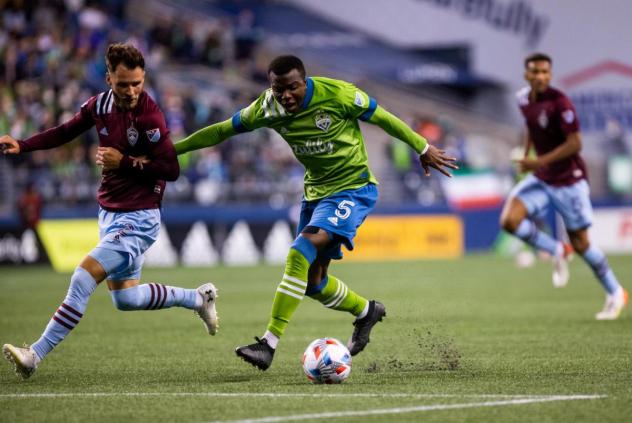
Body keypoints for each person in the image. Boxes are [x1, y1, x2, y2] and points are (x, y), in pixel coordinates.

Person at [174, 55, 457, 370]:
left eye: (292, 88)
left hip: (353, 188)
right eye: (278, 89)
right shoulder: (268, 107)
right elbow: (221, 131)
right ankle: (366, 311)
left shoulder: (338, 94)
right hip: (315, 194)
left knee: (300, 251)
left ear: (304, 81)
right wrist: (172, 151)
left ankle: (268, 344)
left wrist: (422, 147)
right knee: (314, 283)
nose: (286, 96)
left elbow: (383, 117)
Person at [1, 43, 218, 380]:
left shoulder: (150, 116)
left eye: (137, 83)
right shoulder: (98, 105)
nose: (131, 91)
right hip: (110, 212)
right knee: (127, 298)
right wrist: (23, 144)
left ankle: (34, 355)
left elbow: (171, 168)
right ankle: (197, 299)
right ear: (109, 79)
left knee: (82, 277)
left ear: (144, 78)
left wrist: (126, 162)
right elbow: (66, 131)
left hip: (140, 216)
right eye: (123, 84)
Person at [500, 53, 628, 320]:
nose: (540, 77)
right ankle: (557, 249)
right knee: (510, 220)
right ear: (527, 75)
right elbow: (532, 128)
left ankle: (616, 292)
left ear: (550, 75)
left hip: (569, 180)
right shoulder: (523, 99)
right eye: (535, 72)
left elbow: (575, 144)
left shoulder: (561, 103)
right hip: (542, 176)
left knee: (582, 244)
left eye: (545, 72)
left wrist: (539, 161)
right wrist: (527, 156)